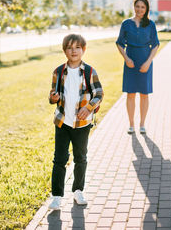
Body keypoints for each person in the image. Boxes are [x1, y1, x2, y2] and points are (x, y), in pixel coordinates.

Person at [47, 34, 104, 210]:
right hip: (63, 122)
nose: (74, 51)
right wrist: (52, 97)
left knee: (81, 157)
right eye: (70, 48)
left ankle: (78, 191)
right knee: (60, 159)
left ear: (83, 50)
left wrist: (88, 107)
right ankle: (56, 196)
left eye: (77, 47)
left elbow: (99, 94)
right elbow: (53, 97)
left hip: (82, 123)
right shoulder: (58, 72)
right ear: (65, 51)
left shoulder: (89, 71)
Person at [115, 0, 160, 135]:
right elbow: (119, 43)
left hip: (145, 61)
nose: (139, 9)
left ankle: (142, 124)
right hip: (130, 61)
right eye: (137, 6)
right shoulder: (126, 23)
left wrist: (148, 62)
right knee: (130, 94)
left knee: (145, 94)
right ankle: (131, 124)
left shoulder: (150, 24)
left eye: (142, 7)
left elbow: (156, 44)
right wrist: (126, 58)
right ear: (134, 7)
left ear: (146, 9)